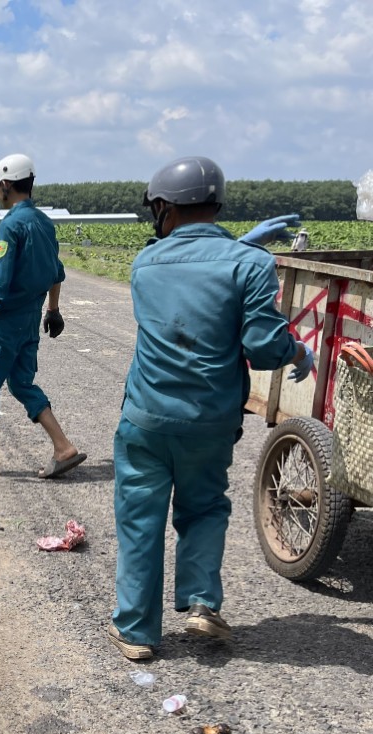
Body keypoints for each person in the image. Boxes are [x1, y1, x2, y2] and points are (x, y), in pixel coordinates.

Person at [107, 157, 315, 661]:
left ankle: (136, 632)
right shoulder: (251, 265)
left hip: (146, 417)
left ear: (163, 207)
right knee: (203, 509)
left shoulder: (144, 265)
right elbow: (264, 347)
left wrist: (241, 252)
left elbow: (187, 283)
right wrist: (298, 350)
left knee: (140, 517)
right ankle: (202, 603)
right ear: (216, 203)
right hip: (210, 420)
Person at [0, 152, 85, 479]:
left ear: (7, 185)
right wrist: (53, 310)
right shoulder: (43, 222)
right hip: (30, 322)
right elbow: (56, 272)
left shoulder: (11, 225)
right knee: (22, 383)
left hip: (5, 324)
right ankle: (63, 446)